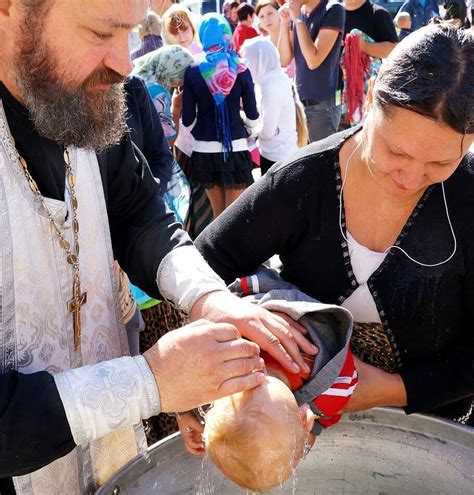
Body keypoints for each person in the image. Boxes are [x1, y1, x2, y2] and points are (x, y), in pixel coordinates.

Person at [0, 1, 317, 493]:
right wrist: (151, 382)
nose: (126, 65)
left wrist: (209, 300)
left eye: (128, 32)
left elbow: (139, 212)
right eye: (101, 32)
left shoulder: (81, 91)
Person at [197, 25, 474, 427]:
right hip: (302, 423)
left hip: (438, 423)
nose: (411, 178)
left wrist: (393, 388)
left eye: (440, 164)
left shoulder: (468, 198)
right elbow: (202, 268)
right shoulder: (303, 182)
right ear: (372, 100)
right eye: (395, 150)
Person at [176, 268, 358, 492]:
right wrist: (184, 410)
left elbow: (324, 415)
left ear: (306, 418)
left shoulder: (336, 387)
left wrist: (311, 431)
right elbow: (184, 364)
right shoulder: (217, 364)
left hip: (271, 297)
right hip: (264, 291)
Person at [182, 13, 260, 219]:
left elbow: (187, 120)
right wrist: (246, 124)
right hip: (235, 148)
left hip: (204, 150)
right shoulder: (241, 68)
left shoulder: (193, 71)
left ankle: (214, 252)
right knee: (231, 219)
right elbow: (253, 116)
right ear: (227, 34)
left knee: (218, 217)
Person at [278, 0, 346, 143]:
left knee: (322, 163)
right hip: (299, 103)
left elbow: (313, 60)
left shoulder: (333, 9)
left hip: (322, 106)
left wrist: (297, 19)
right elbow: (284, 59)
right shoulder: (299, 12)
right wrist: (284, 23)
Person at [241, 37, 305, 174]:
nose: (245, 67)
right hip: (282, 153)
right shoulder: (274, 80)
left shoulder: (270, 88)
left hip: (277, 159)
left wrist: (250, 130)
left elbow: (268, 131)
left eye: (248, 62)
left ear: (259, 61)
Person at [340, 0, 398, 126]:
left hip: (367, 97)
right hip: (335, 96)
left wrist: (362, 46)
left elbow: (392, 49)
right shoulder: (333, 14)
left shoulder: (378, 13)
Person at [255, 0, 296, 78]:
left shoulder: (292, 34)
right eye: (261, 16)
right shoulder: (262, 45)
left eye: (270, 14)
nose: (266, 20)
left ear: (279, 12)